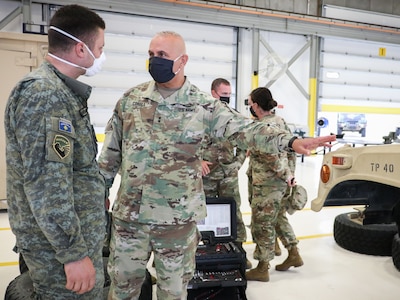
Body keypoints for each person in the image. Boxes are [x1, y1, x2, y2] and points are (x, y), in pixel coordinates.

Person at [98, 31, 335, 300]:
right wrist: (100, 195)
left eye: (162, 55)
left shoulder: (203, 106)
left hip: (177, 225)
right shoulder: (131, 101)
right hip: (130, 221)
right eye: (151, 55)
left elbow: (248, 130)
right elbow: (110, 156)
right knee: (122, 291)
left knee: (173, 293)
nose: (154, 61)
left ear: (182, 60)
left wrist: (291, 142)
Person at [4, 5, 107, 299]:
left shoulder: (61, 91)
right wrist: (72, 255)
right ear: (80, 49)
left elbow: (70, 167)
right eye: (99, 48)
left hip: (71, 240)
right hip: (59, 253)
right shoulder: (45, 95)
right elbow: (47, 183)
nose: (100, 55)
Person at [245, 87, 303, 282]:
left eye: (249, 102)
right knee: (278, 218)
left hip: (266, 184)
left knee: (262, 224)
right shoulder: (280, 122)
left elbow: (271, 157)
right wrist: (290, 175)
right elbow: (291, 150)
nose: (249, 106)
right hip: (280, 184)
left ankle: (262, 267)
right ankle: (293, 252)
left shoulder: (261, 128)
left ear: (255, 105)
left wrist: (285, 173)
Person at [201, 78, 251, 269]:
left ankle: (239, 252)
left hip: (228, 175)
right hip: (206, 176)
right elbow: (188, 142)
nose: (226, 99)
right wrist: (198, 161)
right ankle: (205, 252)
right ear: (213, 93)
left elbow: (244, 146)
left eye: (229, 95)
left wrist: (236, 165)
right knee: (203, 214)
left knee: (234, 213)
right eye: (223, 95)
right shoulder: (202, 117)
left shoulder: (235, 117)